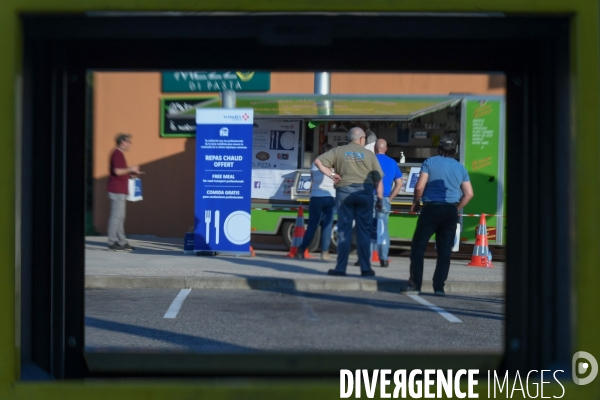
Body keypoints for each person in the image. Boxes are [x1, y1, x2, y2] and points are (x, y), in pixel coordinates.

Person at [401, 135, 474, 296]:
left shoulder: (430, 162)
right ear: (454, 150)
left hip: (431, 208)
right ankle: (439, 287)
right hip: (450, 211)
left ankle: (415, 285)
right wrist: (456, 208)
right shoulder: (460, 167)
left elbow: (419, 187)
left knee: (418, 247)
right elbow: (469, 194)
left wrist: (416, 201)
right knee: (444, 250)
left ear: (439, 148)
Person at [314, 127, 384, 277]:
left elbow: (318, 161)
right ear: (360, 139)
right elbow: (378, 179)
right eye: (364, 138)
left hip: (344, 193)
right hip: (365, 194)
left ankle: (340, 268)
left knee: (344, 231)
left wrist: (332, 174)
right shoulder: (370, 154)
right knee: (363, 231)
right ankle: (366, 268)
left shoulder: (339, 151)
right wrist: (379, 199)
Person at [295, 143, 336, 261]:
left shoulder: (314, 164)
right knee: (327, 226)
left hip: (316, 197)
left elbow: (313, 179)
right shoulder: (335, 165)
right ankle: (324, 252)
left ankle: (301, 250)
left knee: (312, 226)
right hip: (330, 197)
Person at [107, 133, 141, 251]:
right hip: (116, 190)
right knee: (116, 216)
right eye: (128, 142)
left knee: (120, 217)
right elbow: (116, 171)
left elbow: (121, 171)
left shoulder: (119, 154)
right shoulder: (117, 154)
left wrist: (130, 172)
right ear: (123, 142)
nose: (129, 144)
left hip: (120, 190)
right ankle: (112, 242)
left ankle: (122, 242)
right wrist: (131, 168)